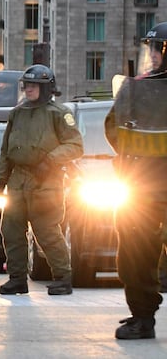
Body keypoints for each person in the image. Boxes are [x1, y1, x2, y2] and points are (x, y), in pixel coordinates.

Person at [0, 64, 83, 296]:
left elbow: (75, 146)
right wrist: (0, 180)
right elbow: (6, 150)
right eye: (27, 85)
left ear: (47, 88)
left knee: (46, 231)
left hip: (46, 181)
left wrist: (51, 161)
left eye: (35, 85)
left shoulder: (59, 113)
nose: (29, 89)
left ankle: (63, 278)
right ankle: (17, 279)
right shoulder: (17, 113)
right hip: (18, 180)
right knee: (11, 228)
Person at [104, 22, 167, 339]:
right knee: (134, 256)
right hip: (141, 189)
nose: (152, 55)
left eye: (157, 49)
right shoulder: (136, 87)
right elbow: (113, 128)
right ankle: (142, 316)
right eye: (150, 49)